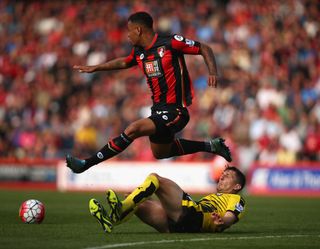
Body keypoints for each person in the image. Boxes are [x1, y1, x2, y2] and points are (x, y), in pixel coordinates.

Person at [66, 11, 231, 174]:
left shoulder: (170, 42)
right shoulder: (139, 51)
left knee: (133, 129)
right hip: (157, 110)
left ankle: (87, 163)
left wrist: (213, 73)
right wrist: (96, 68)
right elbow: (125, 62)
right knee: (161, 153)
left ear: (138, 30)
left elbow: (204, 48)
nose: (128, 35)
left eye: (129, 31)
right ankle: (211, 146)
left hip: (176, 112)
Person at [89, 166, 246, 233]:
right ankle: (111, 220)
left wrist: (223, 221)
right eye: (223, 174)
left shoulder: (236, 199)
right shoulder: (214, 197)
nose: (223, 176)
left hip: (194, 217)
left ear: (237, 186)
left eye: (228, 176)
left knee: (155, 178)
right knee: (135, 200)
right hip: (180, 226)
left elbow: (231, 216)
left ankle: (121, 208)